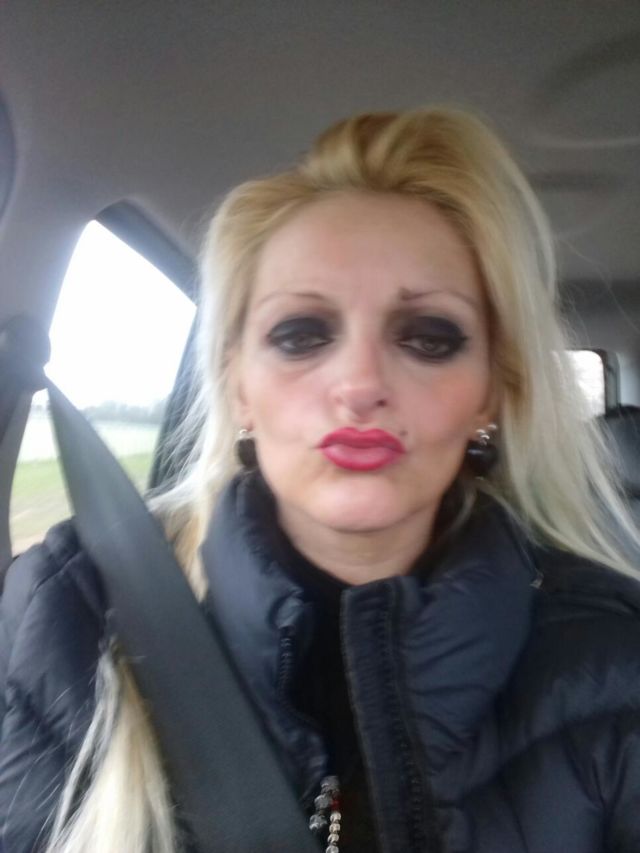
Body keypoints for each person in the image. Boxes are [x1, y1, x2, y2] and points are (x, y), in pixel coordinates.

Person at [1, 108, 640, 853]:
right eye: (301, 334)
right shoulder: (74, 610)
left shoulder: (613, 663)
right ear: (239, 385)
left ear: (489, 397)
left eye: (429, 337)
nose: (360, 384)